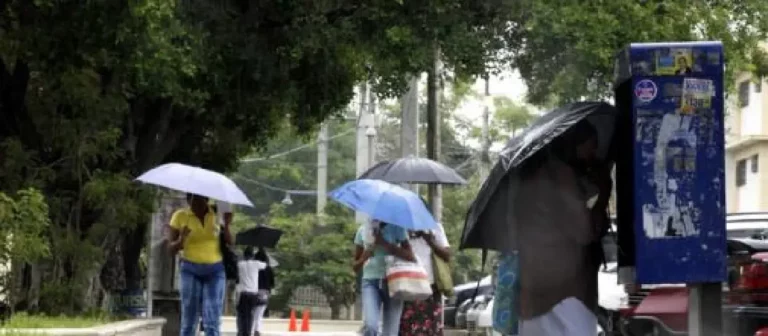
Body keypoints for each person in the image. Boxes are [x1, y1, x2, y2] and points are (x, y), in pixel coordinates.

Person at [515, 120, 612, 336]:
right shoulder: (560, 176)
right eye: (591, 146)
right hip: (563, 295)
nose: (594, 154)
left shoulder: (535, 176)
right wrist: (603, 193)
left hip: (535, 292)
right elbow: (584, 231)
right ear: (575, 144)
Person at [167, 193, 232, 336]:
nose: (195, 206)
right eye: (192, 202)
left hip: (215, 270)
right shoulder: (180, 216)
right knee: (189, 318)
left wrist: (227, 225)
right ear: (188, 201)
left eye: (199, 202)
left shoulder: (217, 214)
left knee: (212, 318)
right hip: (190, 269)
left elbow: (230, 242)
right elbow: (170, 249)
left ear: (206, 200)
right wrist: (181, 240)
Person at [353, 220, 416, 336]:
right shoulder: (362, 230)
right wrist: (364, 257)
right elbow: (355, 267)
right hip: (370, 282)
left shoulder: (397, 228)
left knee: (390, 333)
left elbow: (411, 256)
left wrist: (384, 243)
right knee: (371, 326)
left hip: (394, 282)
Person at [399, 200, 451, 336]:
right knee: (408, 328)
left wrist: (429, 239)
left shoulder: (435, 227)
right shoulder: (401, 228)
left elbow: (447, 255)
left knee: (431, 329)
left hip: (430, 286)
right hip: (409, 286)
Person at [235, 246, 267, 336]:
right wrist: (262, 250)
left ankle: (242, 332)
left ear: (244, 255)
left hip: (243, 294)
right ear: (253, 256)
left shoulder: (240, 264)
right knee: (251, 315)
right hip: (253, 294)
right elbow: (265, 264)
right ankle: (248, 333)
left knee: (243, 314)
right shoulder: (256, 264)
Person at [253, 248, 275, 335]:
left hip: (254, 291)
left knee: (253, 311)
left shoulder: (254, 267)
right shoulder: (269, 268)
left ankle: (252, 328)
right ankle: (257, 330)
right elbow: (272, 283)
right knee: (260, 313)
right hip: (264, 292)